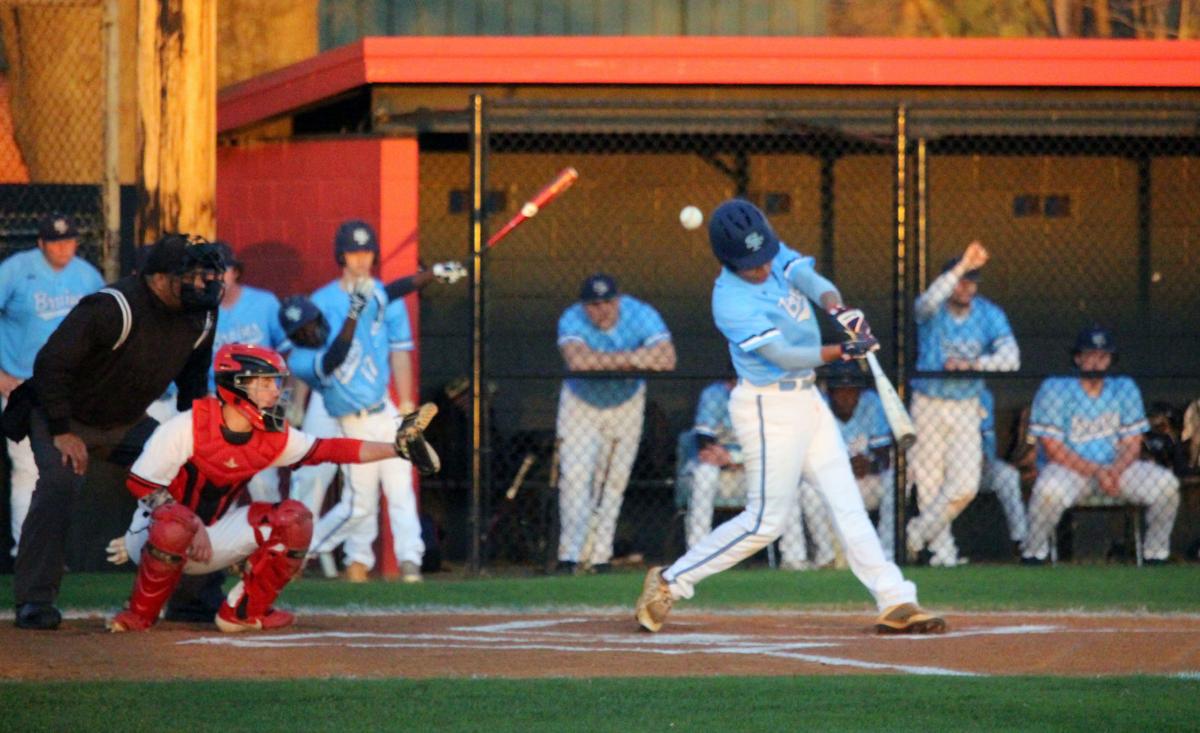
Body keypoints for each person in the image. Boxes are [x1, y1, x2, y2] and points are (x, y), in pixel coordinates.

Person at [635, 198, 944, 635]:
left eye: (765, 257)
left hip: (808, 402)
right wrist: (842, 350)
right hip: (767, 406)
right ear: (728, 260)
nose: (763, 268)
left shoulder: (767, 251)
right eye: (751, 264)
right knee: (766, 522)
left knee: (847, 503)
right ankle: (670, 581)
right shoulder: (729, 301)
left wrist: (839, 309)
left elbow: (808, 278)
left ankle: (895, 598)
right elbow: (781, 355)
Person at [105, 343, 439, 632]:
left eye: (274, 383)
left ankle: (242, 614)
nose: (275, 392)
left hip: (213, 535)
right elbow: (141, 484)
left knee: (295, 519)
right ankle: (138, 616)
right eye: (264, 383)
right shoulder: (189, 426)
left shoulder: (272, 435)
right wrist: (191, 525)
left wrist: (395, 449)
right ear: (236, 386)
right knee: (175, 525)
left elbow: (329, 449)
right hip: (157, 533)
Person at [4, 234, 224, 630]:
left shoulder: (202, 315)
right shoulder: (112, 306)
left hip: (124, 421)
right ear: (158, 279)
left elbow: (193, 387)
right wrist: (61, 429)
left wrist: (195, 443)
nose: (202, 284)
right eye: (190, 276)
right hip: (62, 413)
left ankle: (194, 597)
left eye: (206, 275)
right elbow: (50, 364)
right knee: (58, 484)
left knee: (198, 474)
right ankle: (34, 601)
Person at [283, 252, 466, 578]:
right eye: (302, 331)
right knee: (358, 506)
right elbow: (335, 359)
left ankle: (409, 563)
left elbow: (391, 291)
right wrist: (354, 312)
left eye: (311, 324)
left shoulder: (346, 321)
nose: (310, 332)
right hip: (355, 424)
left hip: (384, 413)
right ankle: (295, 554)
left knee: (392, 490)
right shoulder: (302, 360)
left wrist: (434, 273)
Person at [1020, 325, 1180, 565]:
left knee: (1167, 485)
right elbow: (1053, 449)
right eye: (1090, 355)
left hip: (1118, 471)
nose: (1096, 362)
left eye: (1103, 356)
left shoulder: (1124, 388)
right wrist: (1098, 472)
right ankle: (1034, 553)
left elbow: (1132, 444)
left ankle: (1155, 555)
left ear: (1110, 360)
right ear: (1077, 358)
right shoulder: (1054, 388)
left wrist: (1114, 471)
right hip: (1069, 472)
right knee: (1047, 491)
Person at [906, 241, 1019, 567]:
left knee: (965, 485)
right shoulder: (933, 309)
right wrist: (959, 266)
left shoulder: (988, 313)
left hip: (966, 403)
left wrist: (974, 364)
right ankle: (944, 554)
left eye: (971, 280)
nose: (965, 286)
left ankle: (916, 532)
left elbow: (1012, 359)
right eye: (960, 280)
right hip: (928, 401)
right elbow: (925, 302)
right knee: (929, 484)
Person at [555, 273, 676, 574]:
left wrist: (607, 359)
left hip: (627, 403)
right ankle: (571, 554)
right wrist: (636, 358)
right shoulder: (571, 318)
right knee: (574, 478)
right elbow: (578, 362)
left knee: (612, 482)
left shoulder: (639, 313)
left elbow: (667, 359)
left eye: (608, 302)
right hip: (580, 403)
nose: (602, 310)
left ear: (618, 299)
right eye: (594, 304)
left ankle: (600, 555)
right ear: (584, 306)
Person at [0, 213, 104, 557]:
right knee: (28, 467)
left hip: (74, 388)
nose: (64, 248)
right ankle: (25, 551)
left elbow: (103, 332)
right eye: (56, 241)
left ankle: (58, 550)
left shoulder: (87, 275)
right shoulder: (16, 270)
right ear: (41, 243)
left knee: (68, 470)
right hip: (23, 383)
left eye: (69, 240)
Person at [208, 241, 291, 502]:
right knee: (220, 484)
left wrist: (287, 397)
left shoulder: (264, 303)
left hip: (261, 403)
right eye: (212, 273)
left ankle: (270, 541)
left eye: (224, 271)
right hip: (220, 404)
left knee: (264, 485)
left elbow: (289, 351)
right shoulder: (202, 312)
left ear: (235, 272)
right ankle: (220, 542)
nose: (219, 278)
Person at [791, 360, 896, 565]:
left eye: (852, 389)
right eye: (840, 390)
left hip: (865, 482)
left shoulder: (871, 402)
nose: (847, 396)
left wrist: (871, 464)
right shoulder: (817, 407)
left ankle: (886, 553)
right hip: (830, 484)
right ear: (830, 391)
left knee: (894, 480)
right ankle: (826, 556)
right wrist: (841, 467)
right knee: (806, 490)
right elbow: (806, 459)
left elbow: (884, 453)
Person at [978, 388, 1028, 554]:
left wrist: (983, 458)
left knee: (1008, 475)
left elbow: (989, 443)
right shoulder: (930, 395)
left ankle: (1021, 541)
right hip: (941, 470)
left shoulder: (983, 395)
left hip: (977, 469)